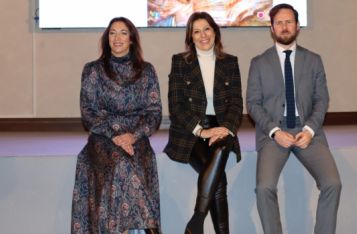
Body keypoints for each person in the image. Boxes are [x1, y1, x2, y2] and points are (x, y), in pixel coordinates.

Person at [246, 4, 342, 234]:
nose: (284, 27)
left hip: (308, 132)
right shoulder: (258, 63)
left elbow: (322, 100)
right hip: (273, 134)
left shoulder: (314, 60)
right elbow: (252, 103)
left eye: (289, 22)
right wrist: (274, 132)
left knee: (333, 184)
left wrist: (309, 130)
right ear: (271, 28)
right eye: (279, 22)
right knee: (264, 188)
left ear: (298, 27)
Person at [71, 17, 162, 234]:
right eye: (112, 33)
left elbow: (154, 113)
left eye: (123, 33)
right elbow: (88, 112)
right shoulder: (93, 70)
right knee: (120, 162)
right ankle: (149, 226)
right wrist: (115, 136)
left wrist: (132, 136)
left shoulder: (147, 70)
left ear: (131, 39)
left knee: (129, 160)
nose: (117, 38)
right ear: (107, 38)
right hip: (104, 137)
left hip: (135, 138)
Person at [164, 12, 243, 234]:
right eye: (196, 31)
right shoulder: (180, 62)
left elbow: (236, 103)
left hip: (222, 126)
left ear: (215, 31)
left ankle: (197, 221)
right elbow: (176, 106)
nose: (202, 35)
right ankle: (200, 224)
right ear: (191, 37)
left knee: (220, 152)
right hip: (191, 131)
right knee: (219, 181)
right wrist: (201, 131)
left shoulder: (230, 62)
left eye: (206, 29)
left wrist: (225, 128)